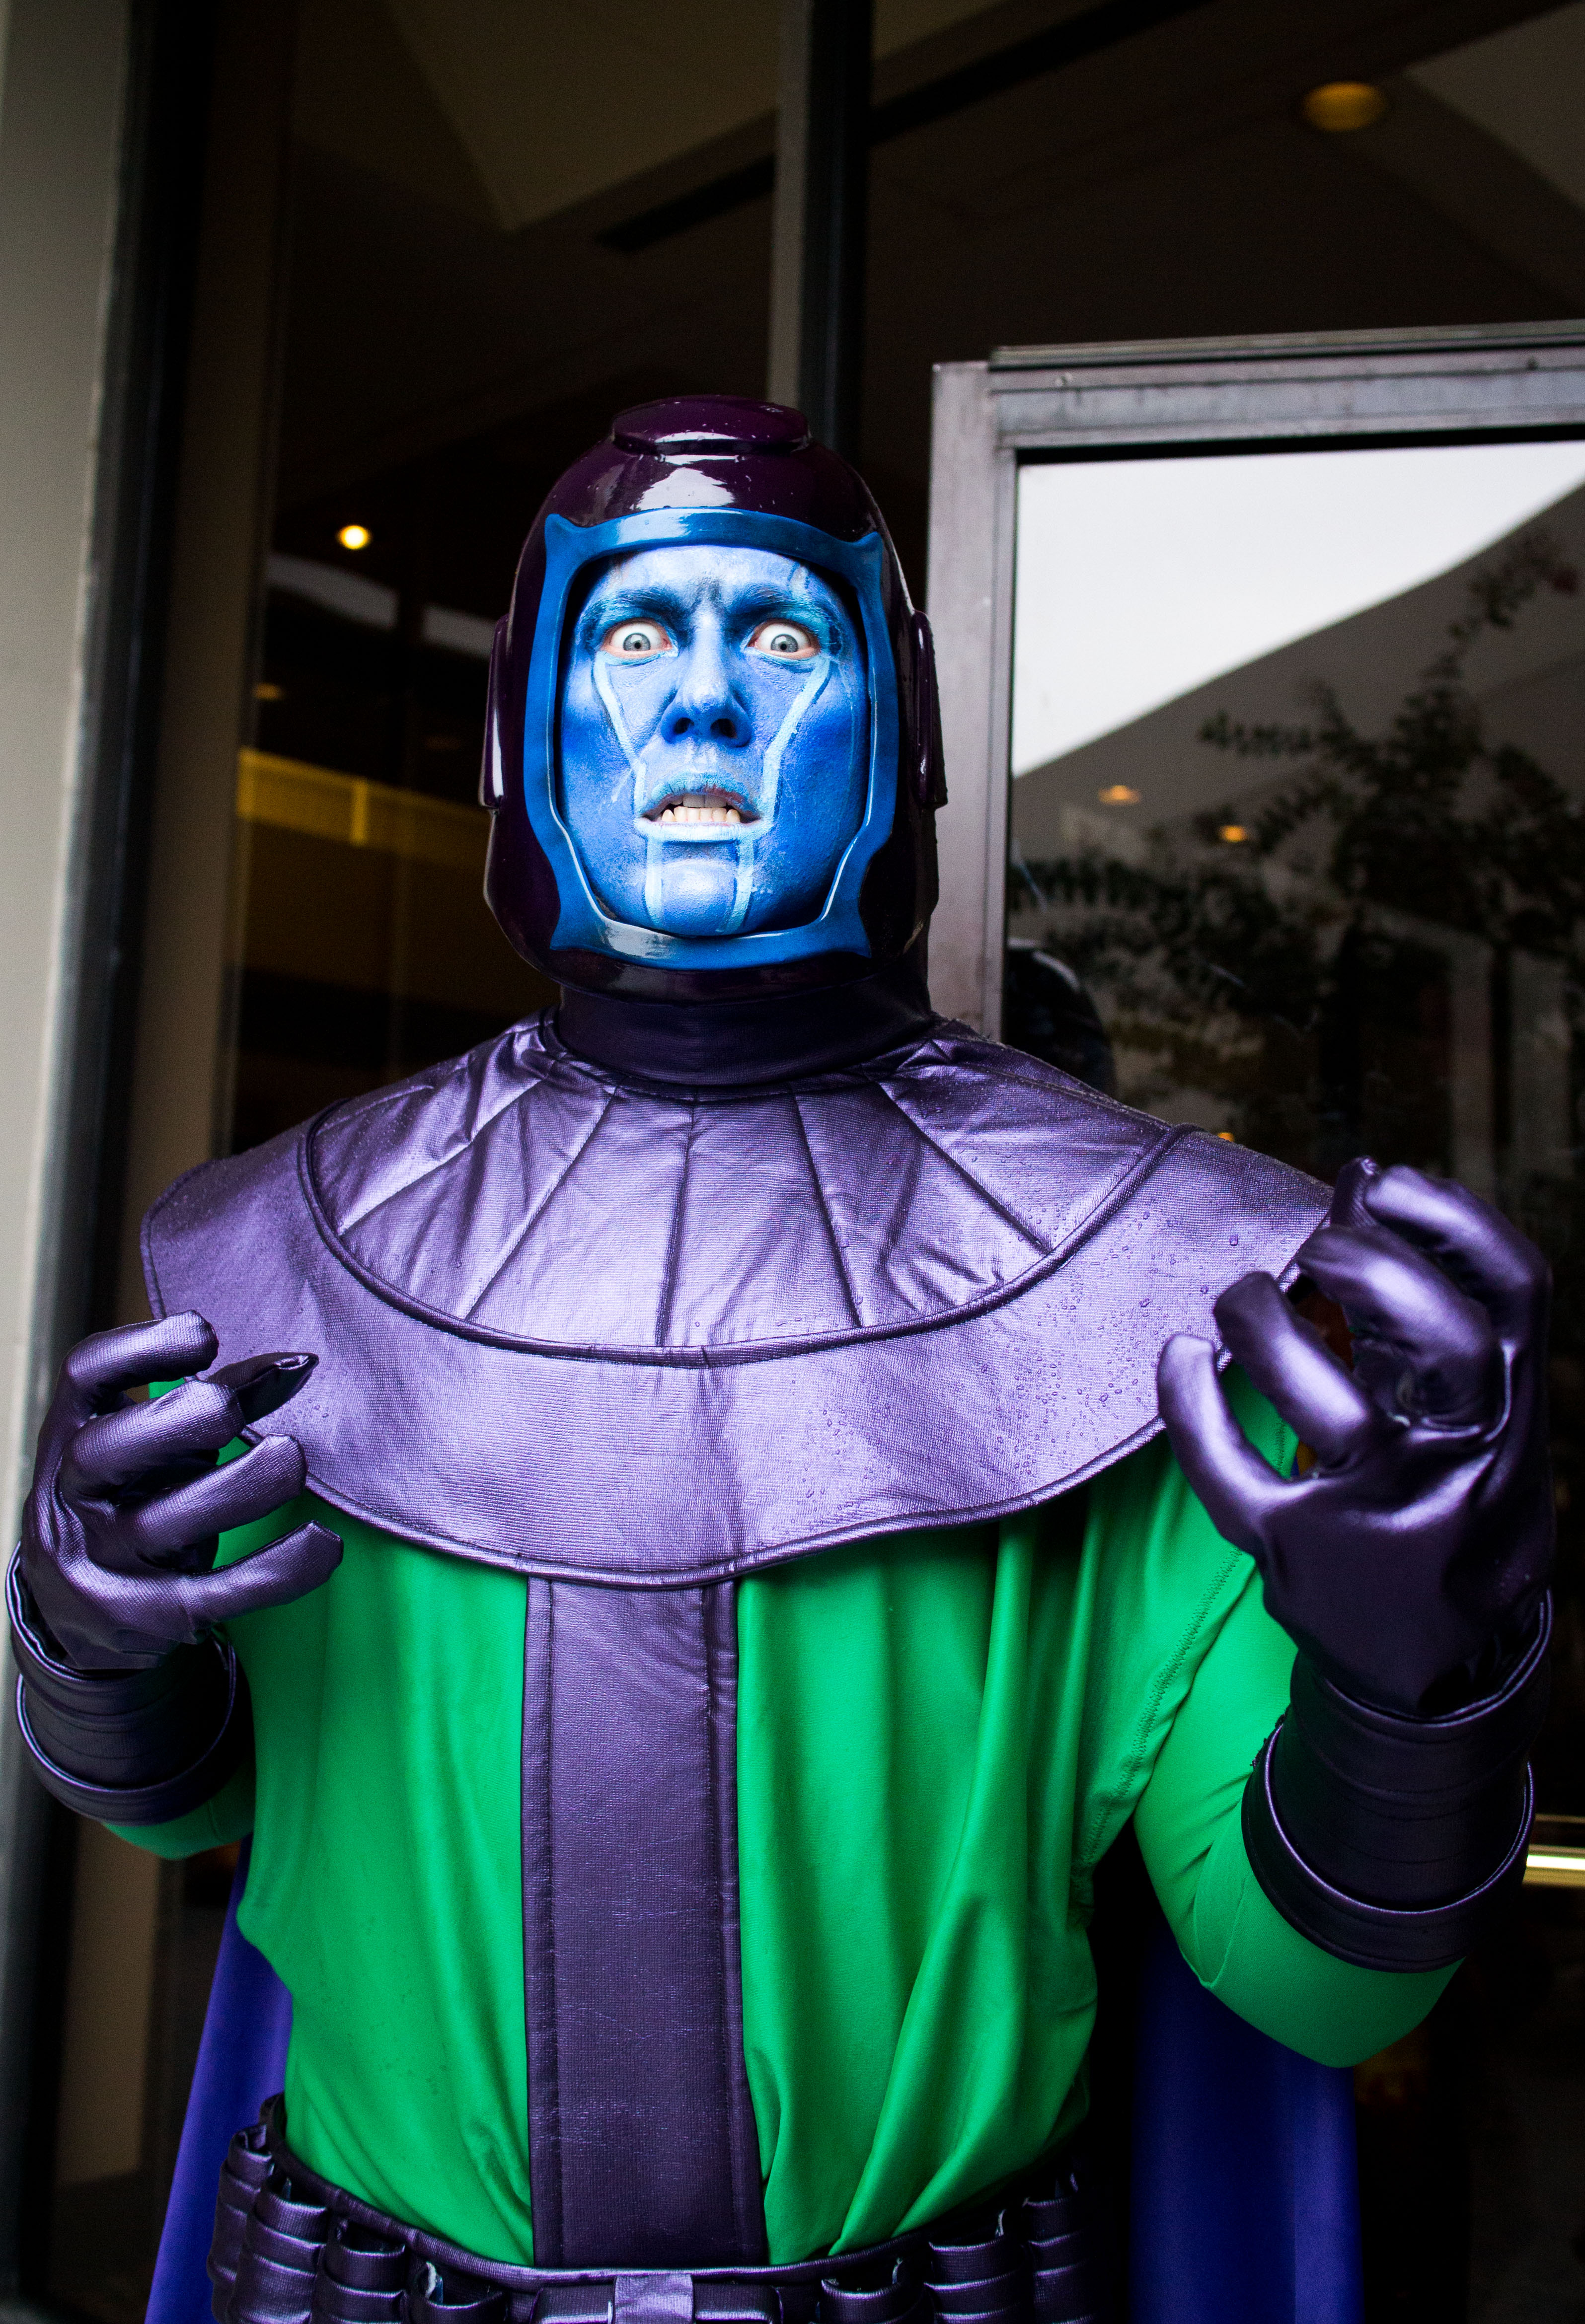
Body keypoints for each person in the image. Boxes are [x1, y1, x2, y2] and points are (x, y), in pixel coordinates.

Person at [12, 399, 1552, 2324]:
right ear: (528, 736)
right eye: (638, 640)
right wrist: (89, 1646)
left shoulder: (1151, 1296)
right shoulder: (278, 1263)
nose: (708, 711)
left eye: (784, 641)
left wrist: (1411, 1703)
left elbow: (1318, 1977)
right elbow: (190, 1804)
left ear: (890, 735)